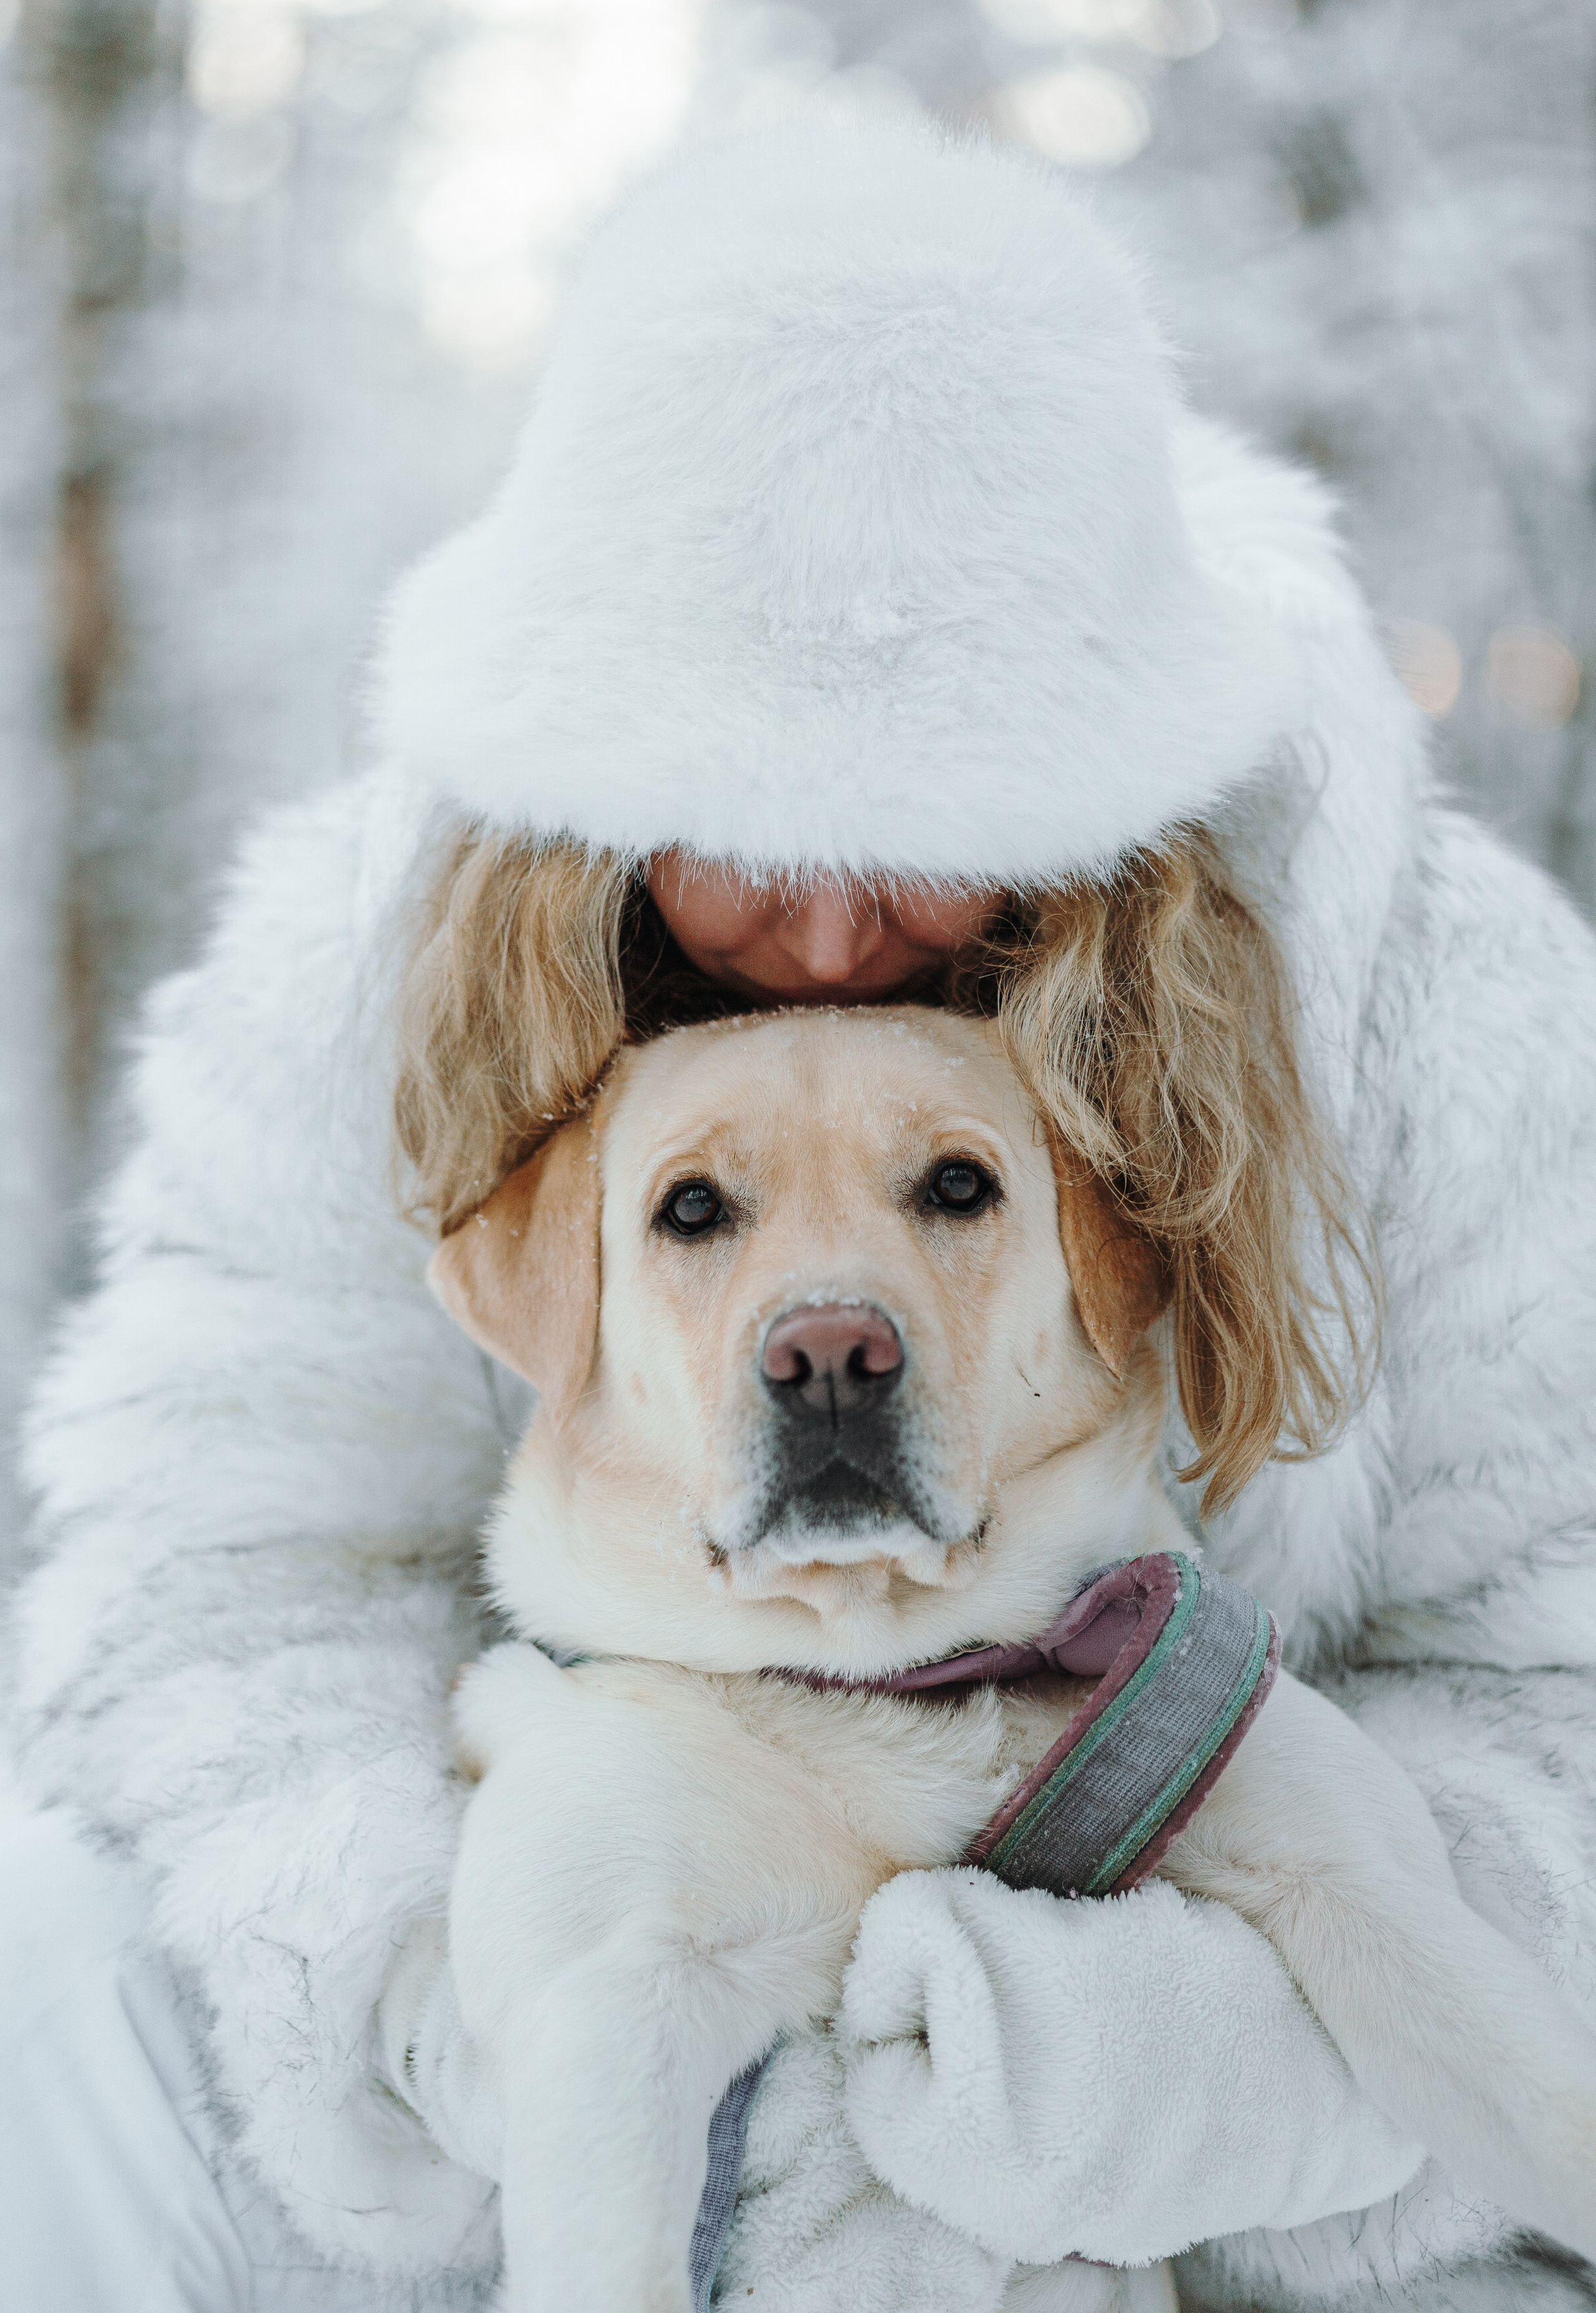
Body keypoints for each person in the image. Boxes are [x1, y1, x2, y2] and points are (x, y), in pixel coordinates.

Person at [7, 120, 1596, 2313]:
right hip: (590, 1989)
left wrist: (1236, 2081)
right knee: (42, 1964)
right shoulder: (362, 988)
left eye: (938, 829)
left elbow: (1569, 1675)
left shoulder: (1433, 1012)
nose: (836, 928)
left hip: (1211, 2119)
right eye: (743, 826)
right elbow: (224, 1577)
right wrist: (438, 2004)